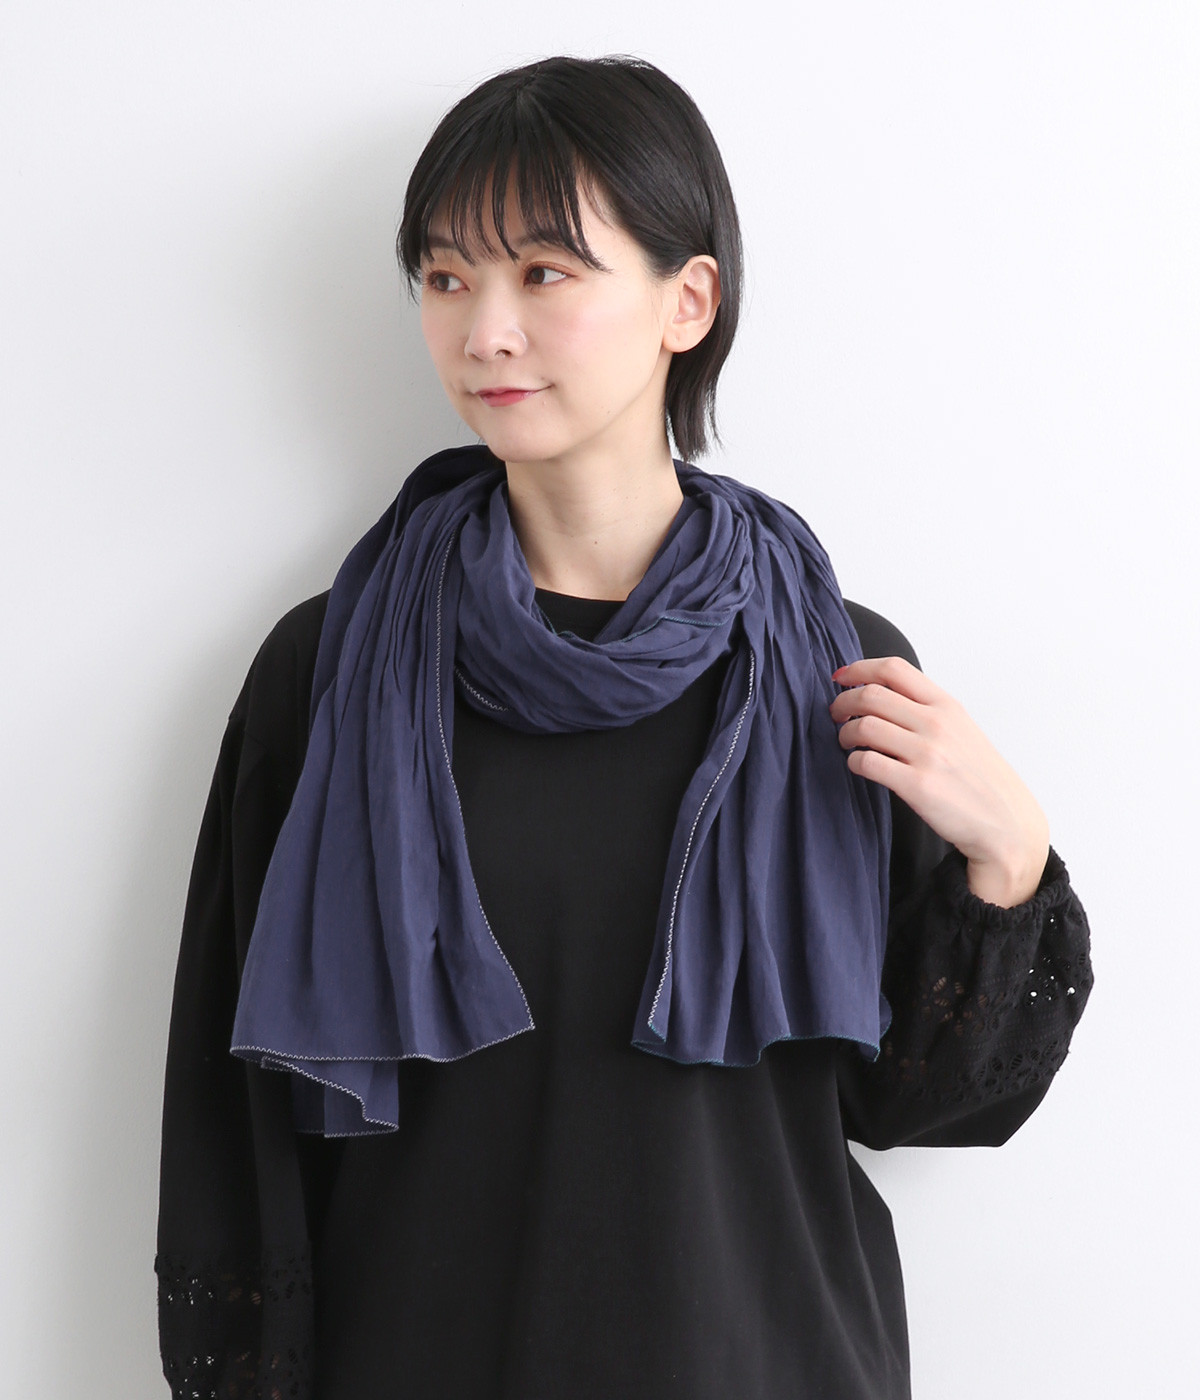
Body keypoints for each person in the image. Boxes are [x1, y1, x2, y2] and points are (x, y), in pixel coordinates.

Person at [154, 54, 1093, 1400]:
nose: (484, 331)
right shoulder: (335, 668)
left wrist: (1008, 863)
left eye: (543, 272)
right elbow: (233, 1122)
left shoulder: (834, 668)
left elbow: (924, 1106)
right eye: (445, 277)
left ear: (686, 301)